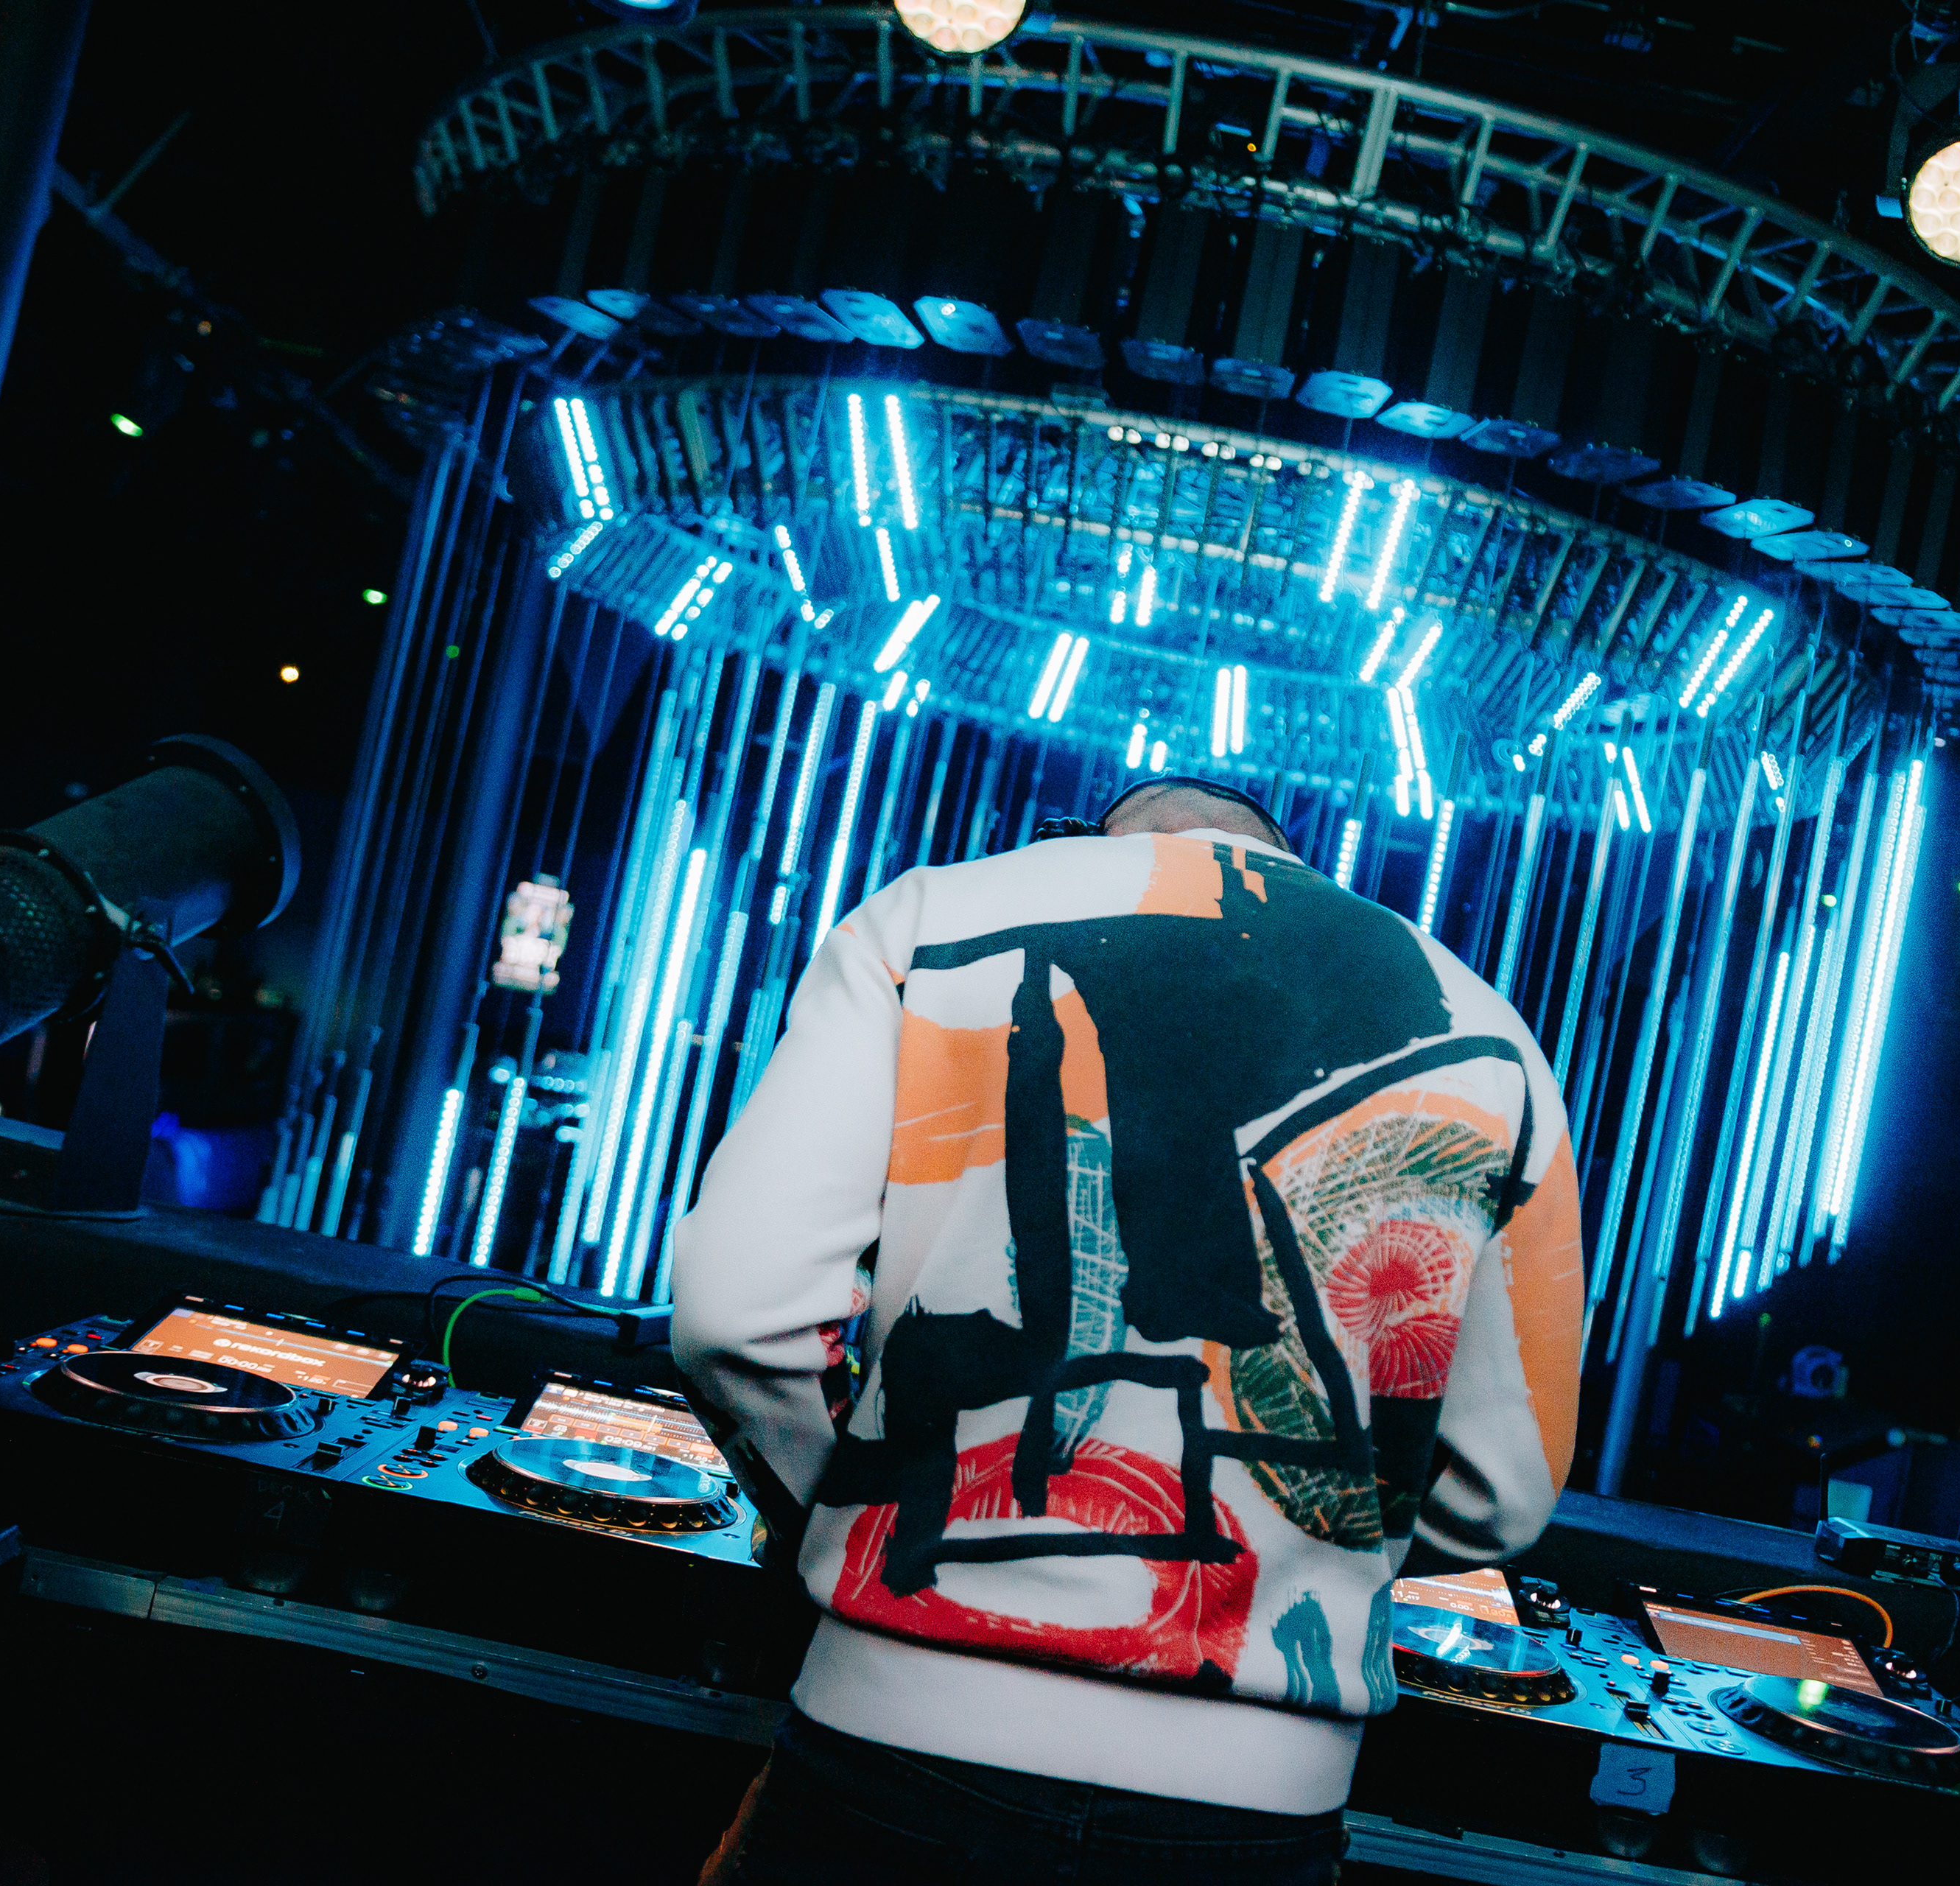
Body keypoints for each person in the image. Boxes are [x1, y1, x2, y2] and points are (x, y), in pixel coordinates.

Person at [673, 776, 1583, 1885]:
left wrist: (858, 1500)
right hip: (1261, 1796)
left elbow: (736, 1312)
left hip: (895, 1728)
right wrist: (1310, 1550)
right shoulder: (1490, 1030)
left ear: (1092, 842)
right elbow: (1501, 1490)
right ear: (1290, 863)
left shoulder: (930, 917)